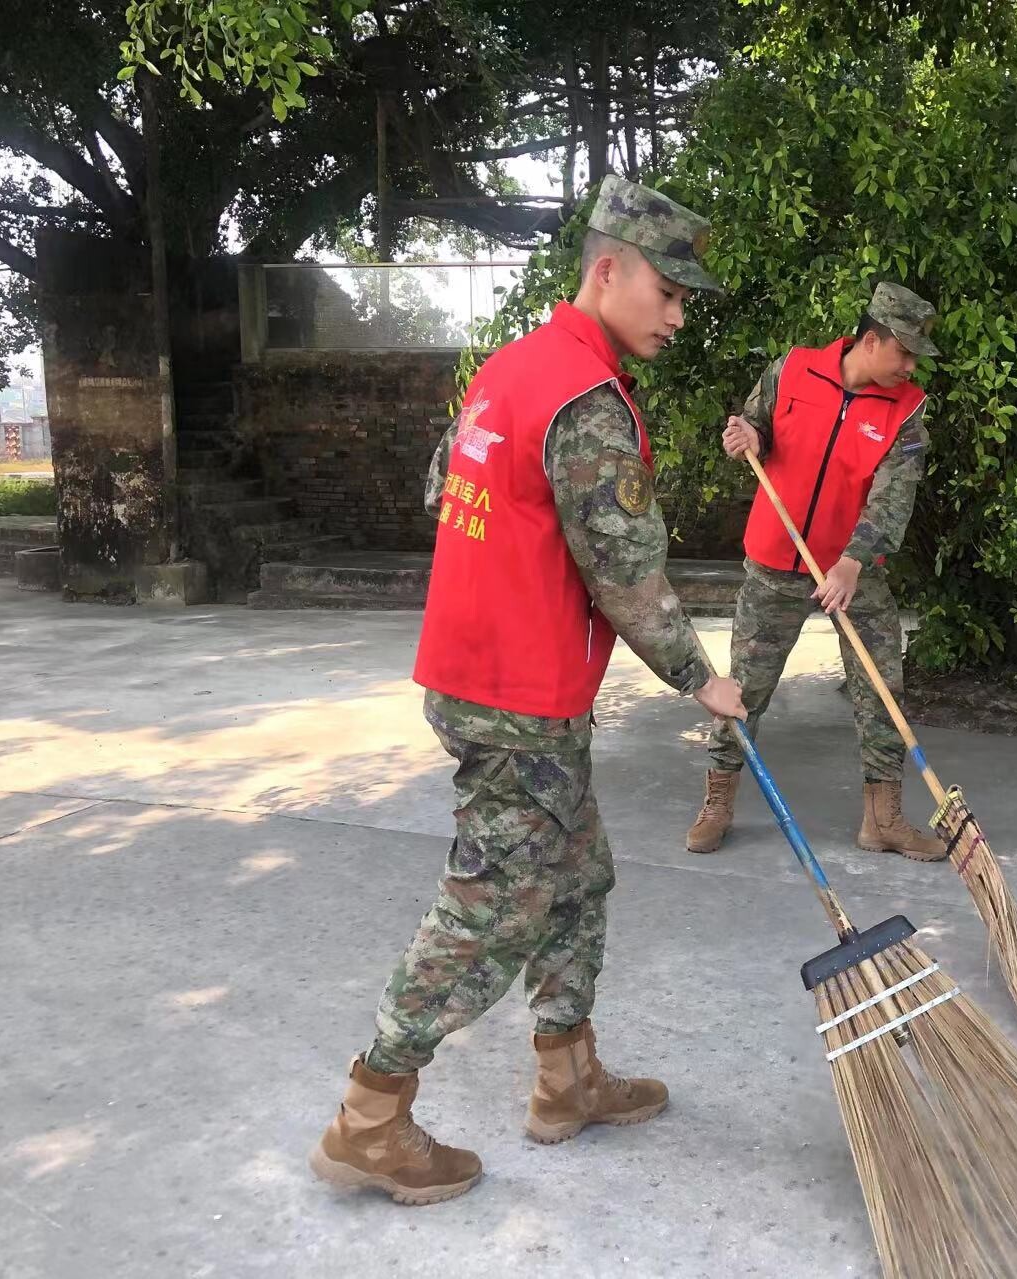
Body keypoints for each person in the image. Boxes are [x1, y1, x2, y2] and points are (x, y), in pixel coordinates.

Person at [310, 175, 746, 1207]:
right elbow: (625, 572)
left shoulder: (511, 370)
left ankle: (566, 1076)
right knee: (491, 905)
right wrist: (703, 678)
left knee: (579, 876)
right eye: (668, 293)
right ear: (610, 271)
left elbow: (442, 489)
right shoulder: (585, 402)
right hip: (516, 696)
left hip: (486, 674)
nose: (678, 316)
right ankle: (370, 1113)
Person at [686, 282, 946, 861]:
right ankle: (718, 800)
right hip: (774, 563)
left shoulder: (907, 411)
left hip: (854, 573)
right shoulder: (793, 370)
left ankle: (882, 819)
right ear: (872, 339)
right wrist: (746, 435)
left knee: (881, 690)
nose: (910, 367)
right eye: (904, 352)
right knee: (744, 689)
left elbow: (892, 498)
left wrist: (853, 561)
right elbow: (753, 426)